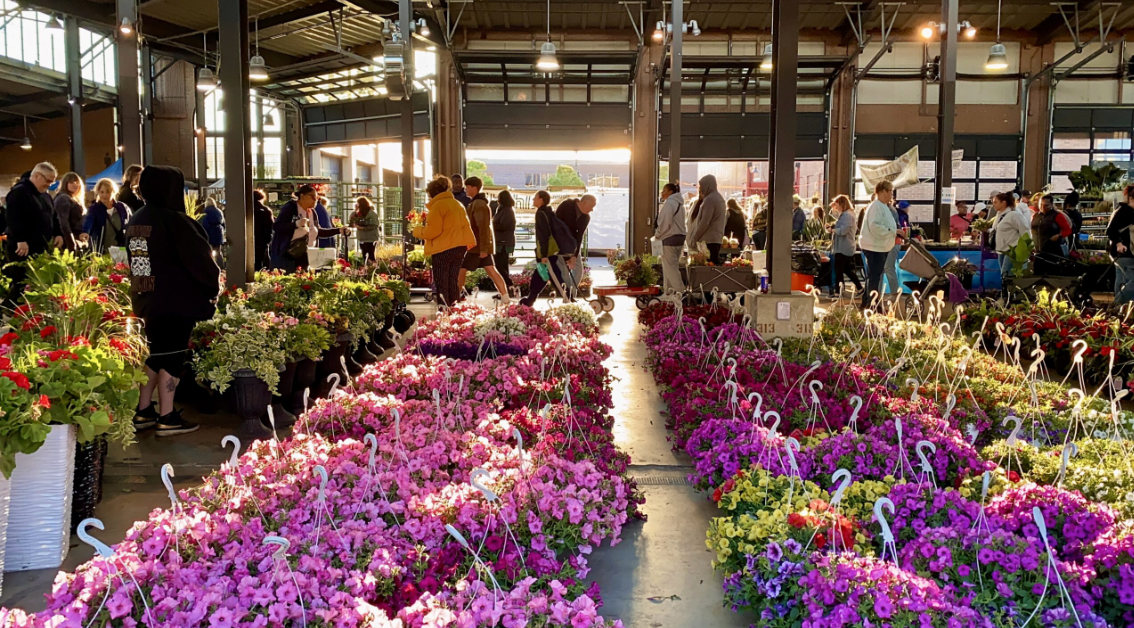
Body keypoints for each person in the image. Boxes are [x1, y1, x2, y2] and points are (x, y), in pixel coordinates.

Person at [126, 165, 219, 437]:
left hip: (146, 299)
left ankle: (143, 411)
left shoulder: (137, 218)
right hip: (176, 300)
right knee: (172, 356)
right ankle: (167, 416)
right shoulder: (175, 220)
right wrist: (211, 285)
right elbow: (200, 260)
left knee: (155, 354)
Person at [4, 163, 63, 304]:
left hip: (40, 247)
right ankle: (8, 313)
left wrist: (58, 233)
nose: (50, 184)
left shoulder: (45, 196)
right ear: (36, 176)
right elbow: (13, 217)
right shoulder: (19, 192)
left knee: (33, 285)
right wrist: (21, 239)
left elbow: (54, 216)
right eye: (48, 180)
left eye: (52, 181)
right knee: (21, 284)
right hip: (22, 248)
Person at [413, 175, 475, 308]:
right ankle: (454, 310)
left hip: (443, 248)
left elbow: (433, 231)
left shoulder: (438, 206)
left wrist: (417, 230)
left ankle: (444, 313)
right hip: (460, 247)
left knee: (442, 283)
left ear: (432, 193)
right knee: (452, 281)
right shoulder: (457, 204)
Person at [269, 184, 349, 272]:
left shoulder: (312, 212)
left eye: (317, 197)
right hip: (289, 256)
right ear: (302, 196)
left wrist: (339, 230)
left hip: (308, 256)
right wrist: (296, 224)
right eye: (313, 197)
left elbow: (318, 232)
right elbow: (277, 227)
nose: (316, 200)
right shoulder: (290, 208)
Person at [459, 176, 510, 303]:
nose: (465, 189)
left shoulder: (478, 204)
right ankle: (505, 297)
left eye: (467, 187)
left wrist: (483, 249)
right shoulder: (479, 203)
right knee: (492, 270)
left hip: (476, 247)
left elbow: (483, 227)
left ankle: (456, 296)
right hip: (480, 246)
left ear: (474, 188)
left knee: (461, 269)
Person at [520, 190, 570, 308]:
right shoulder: (547, 212)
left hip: (546, 252)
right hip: (548, 251)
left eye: (535, 198)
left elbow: (543, 235)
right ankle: (530, 299)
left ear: (541, 199)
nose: (533, 200)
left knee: (554, 276)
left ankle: (568, 298)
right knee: (541, 274)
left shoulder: (541, 213)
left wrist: (543, 255)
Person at [857, 180, 897, 309]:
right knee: (875, 277)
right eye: (890, 191)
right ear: (882, 191)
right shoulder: (876, 206)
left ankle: (867, 302)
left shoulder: (881, 206)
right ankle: (872, 305)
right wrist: (892, 231)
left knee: (873, 276)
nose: (892, 194)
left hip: (878, 246)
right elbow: (875, 226)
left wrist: (894, 231)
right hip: (875, 247)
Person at [554, 193, 596, 288]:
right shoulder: (566, 205)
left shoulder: (586, 217)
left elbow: (579, 236)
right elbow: (555, 224)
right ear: (584, 202)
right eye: (591, 206)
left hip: (572, 245)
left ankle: (570, 294)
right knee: (564, 272)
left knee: (578, 270)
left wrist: (574, 256)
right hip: (558, 245)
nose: (592, 209)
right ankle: (568, 295)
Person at [827, 194, 862, 298]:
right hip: (844, 246)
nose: (836, 207)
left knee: (839, 270)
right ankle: (860, 288)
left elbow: (844, 230)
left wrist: (832, 230)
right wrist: (833, 207)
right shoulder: (846, 214)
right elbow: (836, 215)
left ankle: (838, 292)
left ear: (842, 204)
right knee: (846, 270)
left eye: (837, 205)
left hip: (844, 247)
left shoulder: (847, 215)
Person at [83, 178, 131, 254]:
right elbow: (88, 222)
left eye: (108, 192)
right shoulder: (94, 208)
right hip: (101, 251)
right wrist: (85, 232)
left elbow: (130, 224)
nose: (105, 195)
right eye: (102, 192)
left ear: (114, 192)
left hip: (120, 250)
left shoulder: (122, 207)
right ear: (97, 192)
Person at [654, 182, 686, 294]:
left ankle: (680, 292)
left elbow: (664, 223)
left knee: (670, 268)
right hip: (680, 239)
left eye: (664, 190)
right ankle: (669, 293)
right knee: (670, 266)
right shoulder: (680, 204)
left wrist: (657, 235)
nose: (662, 193)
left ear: (671, 192)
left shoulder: (670, 203)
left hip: (669, 239)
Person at [991, 191, 1030, 279]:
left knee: (1006, 275)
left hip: (1013, 249)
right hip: (1002, 249)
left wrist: (1026, 247)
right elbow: (996, 229)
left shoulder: (1014, 215)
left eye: (995, 202)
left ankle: (1010, 292)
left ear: (1003, 202)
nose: (993, 205)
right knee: (1004, 275)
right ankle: (1006, 292)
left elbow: (1025, 230)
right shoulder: (999, 215)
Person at [689, 175, 726, 264]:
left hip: (708, 241)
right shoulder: (720, 198)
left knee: (707, 270)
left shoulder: (709, 200)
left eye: (702, 186)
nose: (701, 189)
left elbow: (704, 222)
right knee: (713, 268)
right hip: (716, 239)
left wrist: (695, 237)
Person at [1106, 185, 1134, 307]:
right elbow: (1110, 230)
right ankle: (1118, 304)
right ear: (1131, 198)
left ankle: (1119, 309)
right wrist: (1119, 243)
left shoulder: (1122, 210)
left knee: (1121, 279)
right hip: (1124, 251)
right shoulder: (1124, 212)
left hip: (1121, 252)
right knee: (1131, 280)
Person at [492, 190, 517, 296]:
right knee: (502, 265)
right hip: (502, 241)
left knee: (499, 265)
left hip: (503, 242)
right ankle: (505, 290)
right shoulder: (503, 209)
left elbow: (504, 226)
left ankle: (508, 284)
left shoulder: (506, 210)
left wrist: (492, 225)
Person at [53, 171, 85, 252]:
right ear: (65, 184)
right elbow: (63, 222)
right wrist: (71, 243)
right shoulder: (63, 198)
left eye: (77, 182)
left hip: (74, 239)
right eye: (71, 182)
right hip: (67, 242)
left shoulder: (72, 199)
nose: (75, 184)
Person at [882, 199, 908, 296]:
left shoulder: (889, 211)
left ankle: (894, 293)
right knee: (886, 269)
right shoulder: (891, 210)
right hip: (892, 242)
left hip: (892, 242)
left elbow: (890, 227)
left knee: (888, 268)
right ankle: (880, 293)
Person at [349, 196, 381, 263]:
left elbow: (375, 225)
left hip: (370, 238)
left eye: (357, 203)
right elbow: (351, 220)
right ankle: (365, 269)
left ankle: (372, 268)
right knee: (364, 255)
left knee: (370, 255)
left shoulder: (371, 213)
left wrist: (363, 228)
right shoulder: (358, 213)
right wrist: (355, 210)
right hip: (362, 238)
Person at [199, 197, 226, 262]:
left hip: (210, 233)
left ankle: (211, 266)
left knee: (209, 251)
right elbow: (223, 224)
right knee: (218, 251)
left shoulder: (205, 212)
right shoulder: (219, 211)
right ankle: (221, 265)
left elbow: (204, 224)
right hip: (219, 233)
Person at [252, 190, 274, 271]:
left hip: (249, 239)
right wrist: (268, 239)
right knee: (262, 260)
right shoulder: (266, 210)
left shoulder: (247, 211)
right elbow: (270, 226)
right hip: (262, 240)